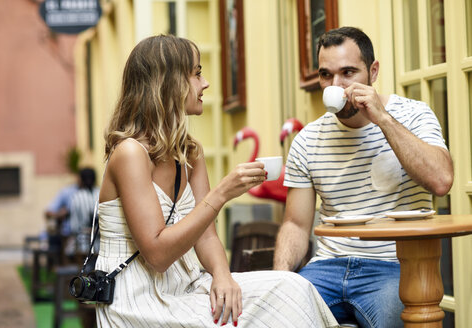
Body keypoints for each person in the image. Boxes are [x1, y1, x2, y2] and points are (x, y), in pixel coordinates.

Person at [95, 35, 338, 328]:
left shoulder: (190, 152)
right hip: (139, 300)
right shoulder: (130, 153)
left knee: (293, 287)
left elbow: (206, 236)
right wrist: (222, 193)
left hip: (187, 286)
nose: (205, 83)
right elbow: (157, 255)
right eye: (196, 74)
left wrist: (222, 275)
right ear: (168, 83)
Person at [273, 26, 453, 328]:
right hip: (326, 268)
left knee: (395, 319)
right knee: (276, 317)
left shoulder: (413, 115)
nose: (337, 85)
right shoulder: (308, 139)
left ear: (373, 71)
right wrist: (280, 280)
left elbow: (441, 181)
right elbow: (295, 223)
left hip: (394, 267)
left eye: (348, 72)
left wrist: (381, 118)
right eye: (326, 75)